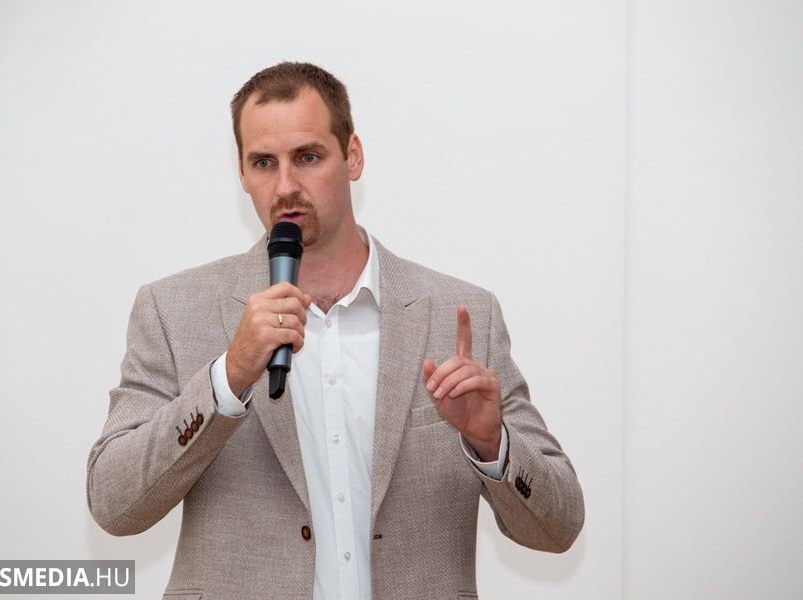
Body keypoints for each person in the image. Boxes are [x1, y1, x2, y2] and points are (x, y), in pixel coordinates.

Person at [86, 62, 584, 600]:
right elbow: (114, 505)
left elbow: (558, 528)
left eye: (307, 157)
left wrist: (491, 443)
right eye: (263, 163)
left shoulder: (462, 316)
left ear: (353, 156)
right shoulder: (173, 310)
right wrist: (227, 380)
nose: (285, 187)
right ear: (242, 174)